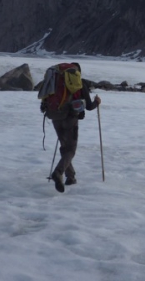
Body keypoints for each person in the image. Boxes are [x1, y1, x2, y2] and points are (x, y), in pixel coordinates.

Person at [46, 63, 101, 193]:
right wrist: (97, 102)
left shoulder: (55, 81)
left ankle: (70, 177)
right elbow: (88, 106)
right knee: (70, 150)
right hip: (70, 118)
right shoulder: (79, 83)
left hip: (55, 116)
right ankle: (59, 172)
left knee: (64, 147)